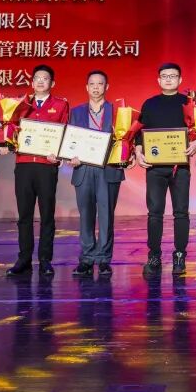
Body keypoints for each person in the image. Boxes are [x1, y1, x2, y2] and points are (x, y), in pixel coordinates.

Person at [136, 62, 196, 275]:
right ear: (158, 80)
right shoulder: (150, 104)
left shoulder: (188, 103)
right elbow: (139, 132)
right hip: (155, 167)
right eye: (164, 76)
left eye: (172, 76)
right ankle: (154, 255)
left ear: (180, 79)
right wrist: (138, 152)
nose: (168, 79)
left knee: (181, 212)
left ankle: (180, 255)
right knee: (154, 213)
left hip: (179, 166)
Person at [6, 64, 70, 278]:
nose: (40, 81)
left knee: (47, 214)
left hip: (46, 166)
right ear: (32, 82)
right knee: (24, 214)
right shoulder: (20, 105)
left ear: (53, 83)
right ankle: (24, 259)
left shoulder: (61, 104)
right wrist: (6, 142)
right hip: (24, 164)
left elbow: (65, 133)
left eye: (45, 78)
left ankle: (45, 259)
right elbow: (10, 129)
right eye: (37, 78)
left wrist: (59, 154)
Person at [67, 70, 123, 278]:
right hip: (83, 168)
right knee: (86, 215)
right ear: (87, 87)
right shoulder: (77, 112)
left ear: (106, 87)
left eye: (100, 84)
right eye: (92, 84)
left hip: (108, 169)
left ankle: (104, 259)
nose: (96, 87)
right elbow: (70, 139)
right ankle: (87, 258)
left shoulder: (117, 112)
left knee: (106, 215)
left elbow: (125, 139)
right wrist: (70, 155)